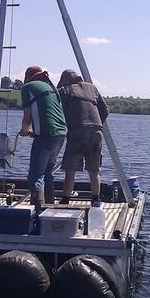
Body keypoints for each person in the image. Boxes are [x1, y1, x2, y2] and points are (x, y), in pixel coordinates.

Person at [56, 69, 108, 205]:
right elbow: (105, 109)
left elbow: (55, 107)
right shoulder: (92, 88)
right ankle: (96, 200)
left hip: (78, 131)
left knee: (71, 168)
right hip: (97, 131)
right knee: (94, 169)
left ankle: (66, 199)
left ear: (65, 80)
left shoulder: (65, 90)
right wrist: (96, 124)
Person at [19, 66, 67, 208]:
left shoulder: (28, 87)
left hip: (46, 136)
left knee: (35, 176)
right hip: (60, 135)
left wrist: (24, 130)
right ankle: (50, 207)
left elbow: (27, 117)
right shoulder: (50, 87)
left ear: (27, 76)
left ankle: (38, 213)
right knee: (47, 173)